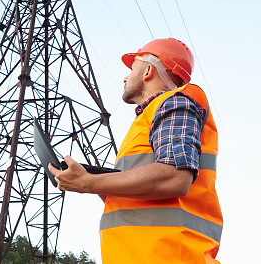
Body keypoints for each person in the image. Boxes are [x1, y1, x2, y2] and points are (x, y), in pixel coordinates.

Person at [48, 38, 223, 263]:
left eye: (132, 69)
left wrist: (88, 183)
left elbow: (175, 177)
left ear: (148, 70)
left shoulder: (176, 102)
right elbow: (139, 201)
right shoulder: (149, 120)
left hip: (169, 255)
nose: (125, 77)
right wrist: (93, 179)